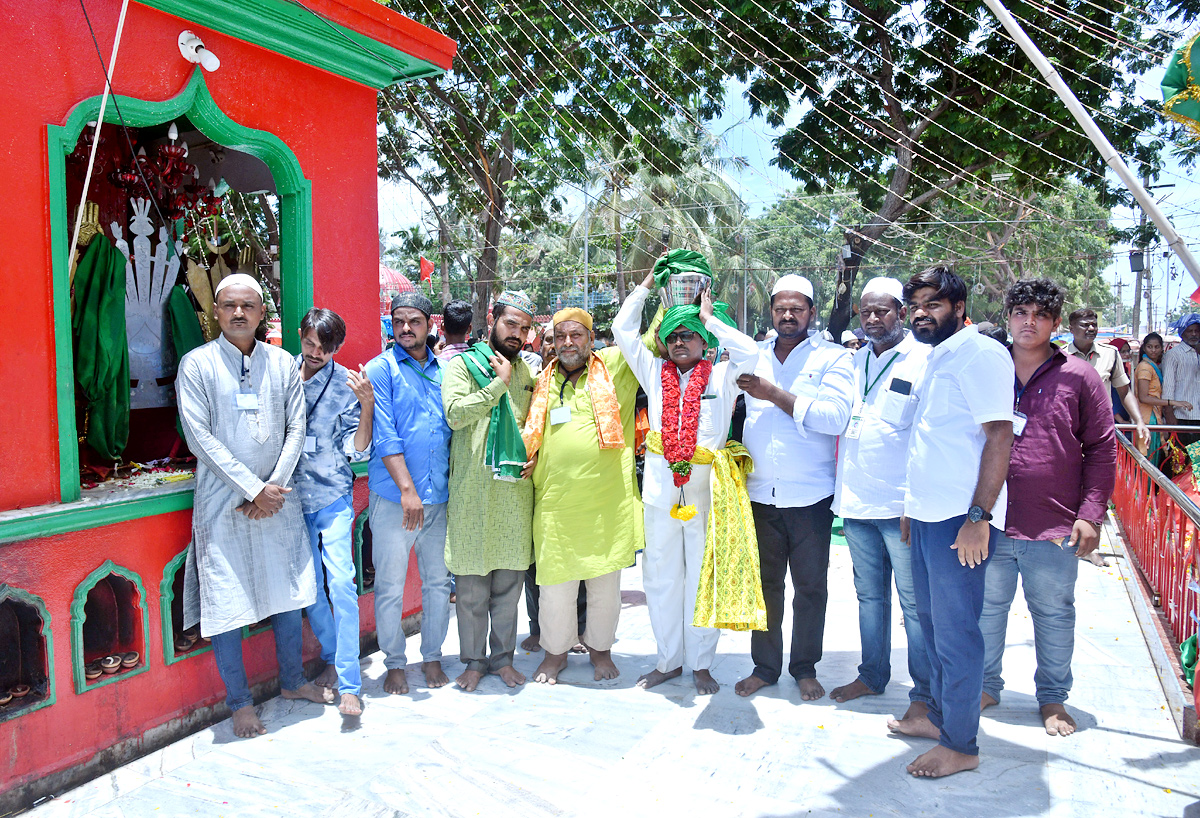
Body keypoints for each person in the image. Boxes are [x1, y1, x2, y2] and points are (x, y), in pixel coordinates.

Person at [177, 274, 330, 739]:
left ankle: (291, 683)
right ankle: (239, 703)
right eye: (229, 305)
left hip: (277, 499)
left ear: (263, 313)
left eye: (248, 305)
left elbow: (296, 430)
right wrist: (250, 488)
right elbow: (198, 436)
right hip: (224, 502)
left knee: (286, 592)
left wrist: (273, 488)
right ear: (215, 312)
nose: (238, 313)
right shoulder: (197, 365)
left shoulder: (283, 364)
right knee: (226, 600)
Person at [886, 266, 1014, 779]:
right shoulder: (934, 358)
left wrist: (978, 518)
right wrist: (911, 508)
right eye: (915, 303)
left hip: (962, 522)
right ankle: (939, 719)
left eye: (933, 303)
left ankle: (961, 745)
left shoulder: (980, 354)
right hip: (928, 517)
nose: (921, 312)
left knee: (957, 635)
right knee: (934, 629)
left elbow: (999, 438)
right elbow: (930, 442)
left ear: (960, 308)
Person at [612, 260, 760, 696]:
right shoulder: (653, 372)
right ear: (663, 341)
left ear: (703, 340)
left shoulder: (722, 374)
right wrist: (644, 285)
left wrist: (711, 318)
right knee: (660, 577)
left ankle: (701, 664)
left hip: (707, 493)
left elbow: (751, 351)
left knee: (701, 577)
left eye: (689, 335)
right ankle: (668, 660)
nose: (679, 342)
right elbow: (623, 330)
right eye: (673, 336)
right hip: (660, 493)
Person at [979, 279, 1116, 738]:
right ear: (1008, 317)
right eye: (1020, 312)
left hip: (1053, 524)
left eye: (1040, 314)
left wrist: (1090, 514)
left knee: (1054, 613)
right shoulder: (988, 369)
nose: (1028, 322)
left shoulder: (1079, 376)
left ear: (1056, 323)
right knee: (986, 609)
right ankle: (984, 685)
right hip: (990, 521)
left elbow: (1101, 448)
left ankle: (1053, 698)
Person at [734, 274, 854, 701]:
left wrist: (773, 394)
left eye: (797, 308)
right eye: (780, 308)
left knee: (810, 588)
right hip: (759, 494)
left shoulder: (834, 359)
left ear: (811, 312)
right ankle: (764, 668)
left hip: (810, 498)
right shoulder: (751, 356)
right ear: (771, 311)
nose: (788, 315)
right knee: (764, 587)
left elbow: (834, 418)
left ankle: (804, 666)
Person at [829, 277, 933, 725]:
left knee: (914, 604)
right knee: (869, 598)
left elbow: (929, 439)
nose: (873, 319)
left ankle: (925, 693)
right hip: (855, 503)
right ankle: (871, 675)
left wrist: (916, 501)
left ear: (902, 313)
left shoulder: (924, 360)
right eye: (866, 312)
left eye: (883, 311)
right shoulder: (851, 363)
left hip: (901, 507)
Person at [522, 306, 641, 685]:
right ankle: (555, 653)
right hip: (555, 505)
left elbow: (649, 337)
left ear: (591, 338)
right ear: (552, 342)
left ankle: (600, 650)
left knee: (605, 587)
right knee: (554, 587)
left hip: (605, 503)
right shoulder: (542, 381)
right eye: (561, 337)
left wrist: (652, 286)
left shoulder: (614, 368)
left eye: (576, 335)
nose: (568, 343)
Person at [442, 292, 538, 692]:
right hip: (472, 496)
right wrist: (497, 386)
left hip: (513, 496)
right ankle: (473, 662)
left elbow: (534, 425)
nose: (517, 334)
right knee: (470, 592)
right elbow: (455, 415)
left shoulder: (529, 376)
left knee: (507, 590)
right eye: (510, 324)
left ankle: (502, 660)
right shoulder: (462, 365)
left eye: (524, 328)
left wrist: (536, 455)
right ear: (491, 318)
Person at [365, 292, 453, 695]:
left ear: (429, 324)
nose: (405, 328)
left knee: (437, 583)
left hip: (439, 497)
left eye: (413, 321)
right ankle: (395, 662)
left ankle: (432, 655)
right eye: (397, 321)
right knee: (390, 585)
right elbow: (384, 434)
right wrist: (406, 490)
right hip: (395, 501)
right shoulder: (380, 369)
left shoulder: (444, 370)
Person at [293, 308, 374, 717]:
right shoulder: (281, 374)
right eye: (309, 343)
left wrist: (367, 407)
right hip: (288, 502)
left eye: (324, 348)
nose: (315, 352)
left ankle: (349, 683)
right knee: (307, 589)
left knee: (341, 583)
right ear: (301, 336)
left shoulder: (346, 387)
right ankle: (331, 652)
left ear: (337, 348)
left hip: (331, 497)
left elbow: (356, 450)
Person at [1065, 309, 1148, 446]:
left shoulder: (1110, 354)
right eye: (1085, 325)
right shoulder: (1059, 356)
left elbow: (1125, 392)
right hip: (1069, 432)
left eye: (1094, 325)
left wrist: (1139, 421)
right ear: (1071, 329)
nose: (1091, 328)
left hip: (1101, 431)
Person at [1137, 332, 1189, 460]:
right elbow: (1143, 397)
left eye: (1157, 347)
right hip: (1148, 417)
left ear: (1162, 348)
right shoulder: (1145, 367)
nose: (1153, 350)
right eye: (1150, 347)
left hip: (1154, 415)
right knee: (1148, 459)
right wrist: (1174, 403)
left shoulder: (1153, 366)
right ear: (1144, 348)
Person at [1162, 315, 1200, 445]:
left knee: (1197, 463)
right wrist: (1169, 415)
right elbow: (1168, 388)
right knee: (1182, 461)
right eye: (1190, 331)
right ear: (1182, 333)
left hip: (1198, 418)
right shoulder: (1174, 354)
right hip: (1182, 417)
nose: (1194, 334)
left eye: (1197, 331)